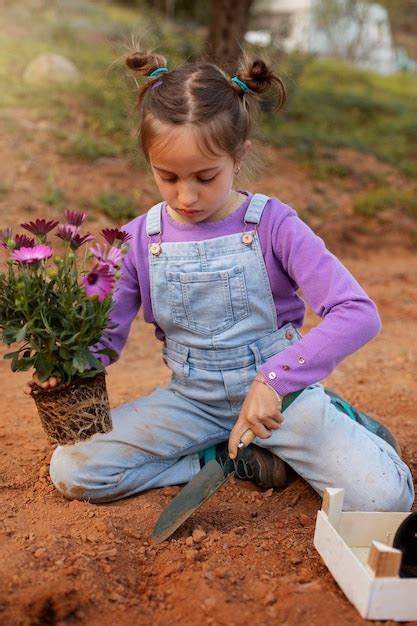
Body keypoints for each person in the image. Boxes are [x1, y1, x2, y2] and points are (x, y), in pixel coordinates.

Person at [26, 52, 413, 512]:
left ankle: (335, 416)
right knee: (74, 470)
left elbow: (358, 313)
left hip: (279, 400)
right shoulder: (138, 239)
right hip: (191, 401)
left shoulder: (274, 225)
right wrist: (68, 364)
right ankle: (229, 460)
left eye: (205, 177)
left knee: (385, 498)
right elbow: (108, 338)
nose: (186, 197)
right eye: (167, 177)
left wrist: (275, 379)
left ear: (238, 156)